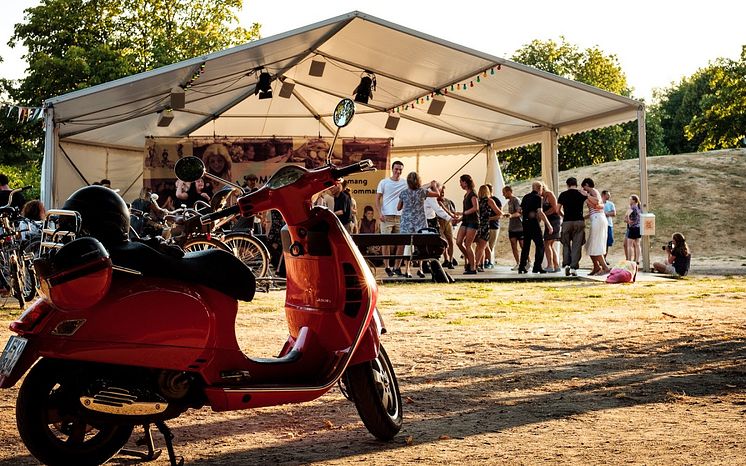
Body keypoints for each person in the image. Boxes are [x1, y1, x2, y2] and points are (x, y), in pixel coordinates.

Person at [397, 171, 439, 278]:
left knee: (407, 246)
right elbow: (437, 194)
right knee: (420, 245)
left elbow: (398, 207)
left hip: (406, 222)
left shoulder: (404, 193)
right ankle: (420, 268)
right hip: (420, 221)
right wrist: (434, 186)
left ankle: (407, 269)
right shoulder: (422, 192)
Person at [376, 161, 407, 276]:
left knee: (401, 243)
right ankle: (387, 267)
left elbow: (416, 187)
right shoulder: (384, 182)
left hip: (400, 217)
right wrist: (379, 213)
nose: (398, 171)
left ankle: (397, 267)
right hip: (386, 216)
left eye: (400, 169)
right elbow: (377, 199)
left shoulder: (405, 183)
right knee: (386, 242)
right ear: (392, 169)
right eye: (396, 169)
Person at [519, 181, 552, 274]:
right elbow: (540, 212)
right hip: (533, 223)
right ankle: (537, 266)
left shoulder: (525, 197)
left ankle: (521, 266)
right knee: (540, 245)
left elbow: (520, 210)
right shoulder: (538, 198)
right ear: (540, 188)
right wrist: (548, 224)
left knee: (526, 246)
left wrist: (526, 215)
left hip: (525, 223)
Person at [557, 177, 587, 276]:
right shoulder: (581, 194)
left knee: (565, 244)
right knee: (577, 245)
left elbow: (557, 210)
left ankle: (566, 265)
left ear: (567, 184)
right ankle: (574, 267)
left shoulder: (563, 195)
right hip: (579, 221)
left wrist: (563, 216)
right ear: (576, 184)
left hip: (567, 222)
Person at [582, 178, 610, 275]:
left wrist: (586, 196)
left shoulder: (592, 191)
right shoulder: (592, 193)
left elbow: (596, 203)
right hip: (597, 218)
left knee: (596, 244)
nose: (584, 189)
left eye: (584, 187)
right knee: (590, 245)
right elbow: (597, 206)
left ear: (586, 185)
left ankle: (605, 267)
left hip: (598, 219)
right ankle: (596, 266)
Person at [455, 174, 480, 274]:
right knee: (458, 242)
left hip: (473, 222)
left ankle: (473, 267)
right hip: (466, 221)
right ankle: (470, 259)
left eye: (461, 182)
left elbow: (475, 208)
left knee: (468, 244)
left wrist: (463, 213)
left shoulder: (473, 194)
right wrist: (459, 219)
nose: (460, 184)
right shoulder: (466, 195)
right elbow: (466, 210)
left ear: (465, 182)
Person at [475, 185, 502, 272]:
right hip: (485, 225)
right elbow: (499, 213)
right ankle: (478, 264)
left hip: (477, 225)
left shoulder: (477, 201)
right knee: (482, 247)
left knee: (479, 246)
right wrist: (490, 218)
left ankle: (479, 264)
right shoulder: (489, 201)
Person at [437, 184, 458, 269]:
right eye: (441, 191)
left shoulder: (448, 201)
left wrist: (456, 217)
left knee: (450, 241)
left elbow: (453, 212)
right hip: (439, 222)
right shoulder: (434, 201)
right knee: (444, 241)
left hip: (448, 222)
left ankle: (450, 260)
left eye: (443, 191)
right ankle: (446, 258)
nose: (442, 193)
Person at [541, 183, 561, 273]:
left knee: (547, 243)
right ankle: (556, 265)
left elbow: (555, 208)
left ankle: (550, 265)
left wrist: (544, 214)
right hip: (548, 221)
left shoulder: (549, 194)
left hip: (554, 221)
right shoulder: (542, 198)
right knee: (549, 244)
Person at [503, 186, 524, 270]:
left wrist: (511, 215)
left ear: (509, 192)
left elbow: (519, 213)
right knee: (513, 245)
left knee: (523, 245)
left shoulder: (516, 200)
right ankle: (518, 263)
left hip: (520, 227)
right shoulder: (509, 202)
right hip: (512, 227)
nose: (503, 194)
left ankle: (527, 262)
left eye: (504, 192)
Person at [484, 183, 503, 269]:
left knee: (490, 245)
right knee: (483, 244)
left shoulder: (496, 200)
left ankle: (488, 261)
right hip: (484, 226)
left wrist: (489, 219)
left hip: (493, 226)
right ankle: (484, 261)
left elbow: (500, 215)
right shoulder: (482, 200)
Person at [624, 194, 642, 264]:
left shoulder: (632, 208)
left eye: (630, 199)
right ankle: (637, 260)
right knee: (637, 244)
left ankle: (629, 260)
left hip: (632, 228)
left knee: (629, 245)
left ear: (634, 200)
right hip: (638, 227)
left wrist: (627, 220)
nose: (629, 200)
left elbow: (626, 217)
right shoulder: (639, 208)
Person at [602, 190, 616, 263]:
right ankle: (601, 259)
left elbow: (614, 213)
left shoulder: (611, 204)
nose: (609, 196)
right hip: (601, 226)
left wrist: (605, 213)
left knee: (607, 242)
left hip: (608, 225)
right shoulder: (599, 203)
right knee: (601, 242)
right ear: (603, 195)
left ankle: (604, 258)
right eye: (608, 195)